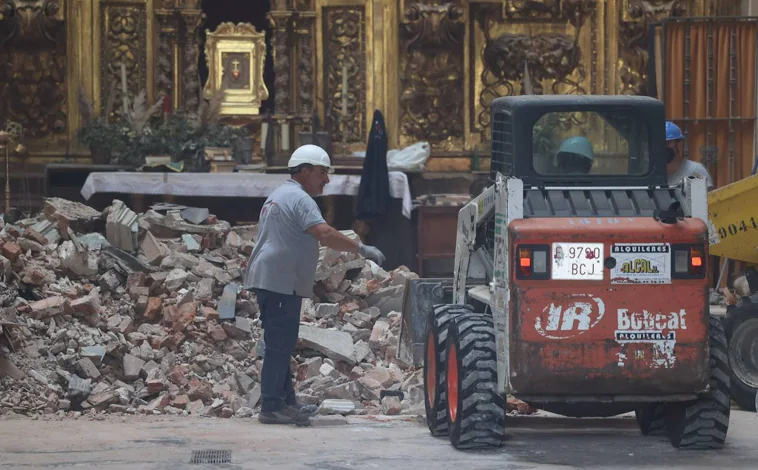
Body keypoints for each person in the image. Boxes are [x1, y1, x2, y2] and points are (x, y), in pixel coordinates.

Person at [243, 144, 386, 426]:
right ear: (305, 171)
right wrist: (361, 248)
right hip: (279, 280)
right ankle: (272, 406)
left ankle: (286, 403)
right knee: (279, 345)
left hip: (274, 278)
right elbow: (325, 233)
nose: (326, 179)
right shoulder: (299, 198)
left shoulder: (281, 194)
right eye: (322, 172)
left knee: (280, 343)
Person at [664, 121, 713, 189]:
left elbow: (704, 198)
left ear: (679, 144)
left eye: (666, 143)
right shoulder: (650, 175)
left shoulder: (694, 171)